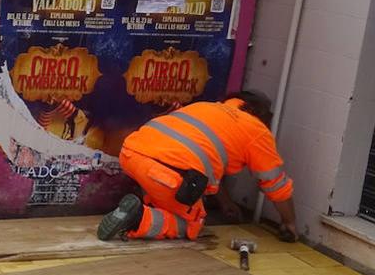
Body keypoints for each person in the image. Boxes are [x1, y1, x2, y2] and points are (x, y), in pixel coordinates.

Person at [98, 91, 299, 243]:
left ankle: (144, 208)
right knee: (192, 225)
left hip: (131, 153)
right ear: (259, 115)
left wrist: (225, 202)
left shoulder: (207, 107)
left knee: (173, 194)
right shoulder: (257, 130)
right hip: (164, 172)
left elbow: (206, 160)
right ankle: (138, 218)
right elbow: (276, 185)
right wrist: (289, 222)